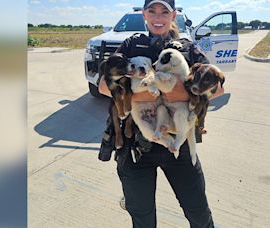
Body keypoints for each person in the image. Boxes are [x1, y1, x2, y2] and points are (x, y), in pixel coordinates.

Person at [99, 0, 218, 227]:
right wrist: (142, 96)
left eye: (164, 12)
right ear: (144, 14)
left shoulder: (187, 48)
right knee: (142, 218)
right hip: (136, 148)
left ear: (173, 16)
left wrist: (177, 93)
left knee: (199, 215)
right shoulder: (131, 45)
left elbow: (218, 86)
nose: (158, 17)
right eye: (152, 11)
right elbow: (104, 85)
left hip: (178, 144)